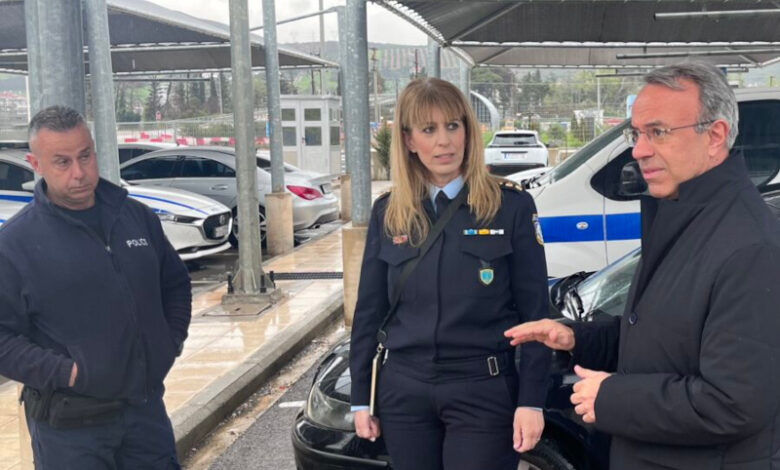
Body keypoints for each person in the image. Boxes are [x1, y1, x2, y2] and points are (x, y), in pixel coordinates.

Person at [505, 62, 780, 469]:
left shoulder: (749, 246)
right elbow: (666, 341)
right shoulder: (684, 217)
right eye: (636, 134)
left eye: (658, 132)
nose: (638, 150)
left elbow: (734, 403)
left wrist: (610, 398)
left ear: (715, 136)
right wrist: (577, 338)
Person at [349, 78, 550, 470]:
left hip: (482, 389)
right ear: (408, 140)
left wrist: (531, 400)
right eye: (428, 129)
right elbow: (369, 310)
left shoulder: (510, 206)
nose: (444, 141)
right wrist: (361, 398)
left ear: (468, 132)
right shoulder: (388, 212)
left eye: (453, 126)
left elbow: (536, 313)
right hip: (404, 392)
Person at [0, 105, 192, 469]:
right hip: (70, 428)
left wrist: (169, 342)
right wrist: (68, 373)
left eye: (85, 156)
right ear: (35, 164)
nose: (79, 172)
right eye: (62, 162)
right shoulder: (14, 244)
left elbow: (175, 284)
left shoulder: (134, 217)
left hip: (145, 414)